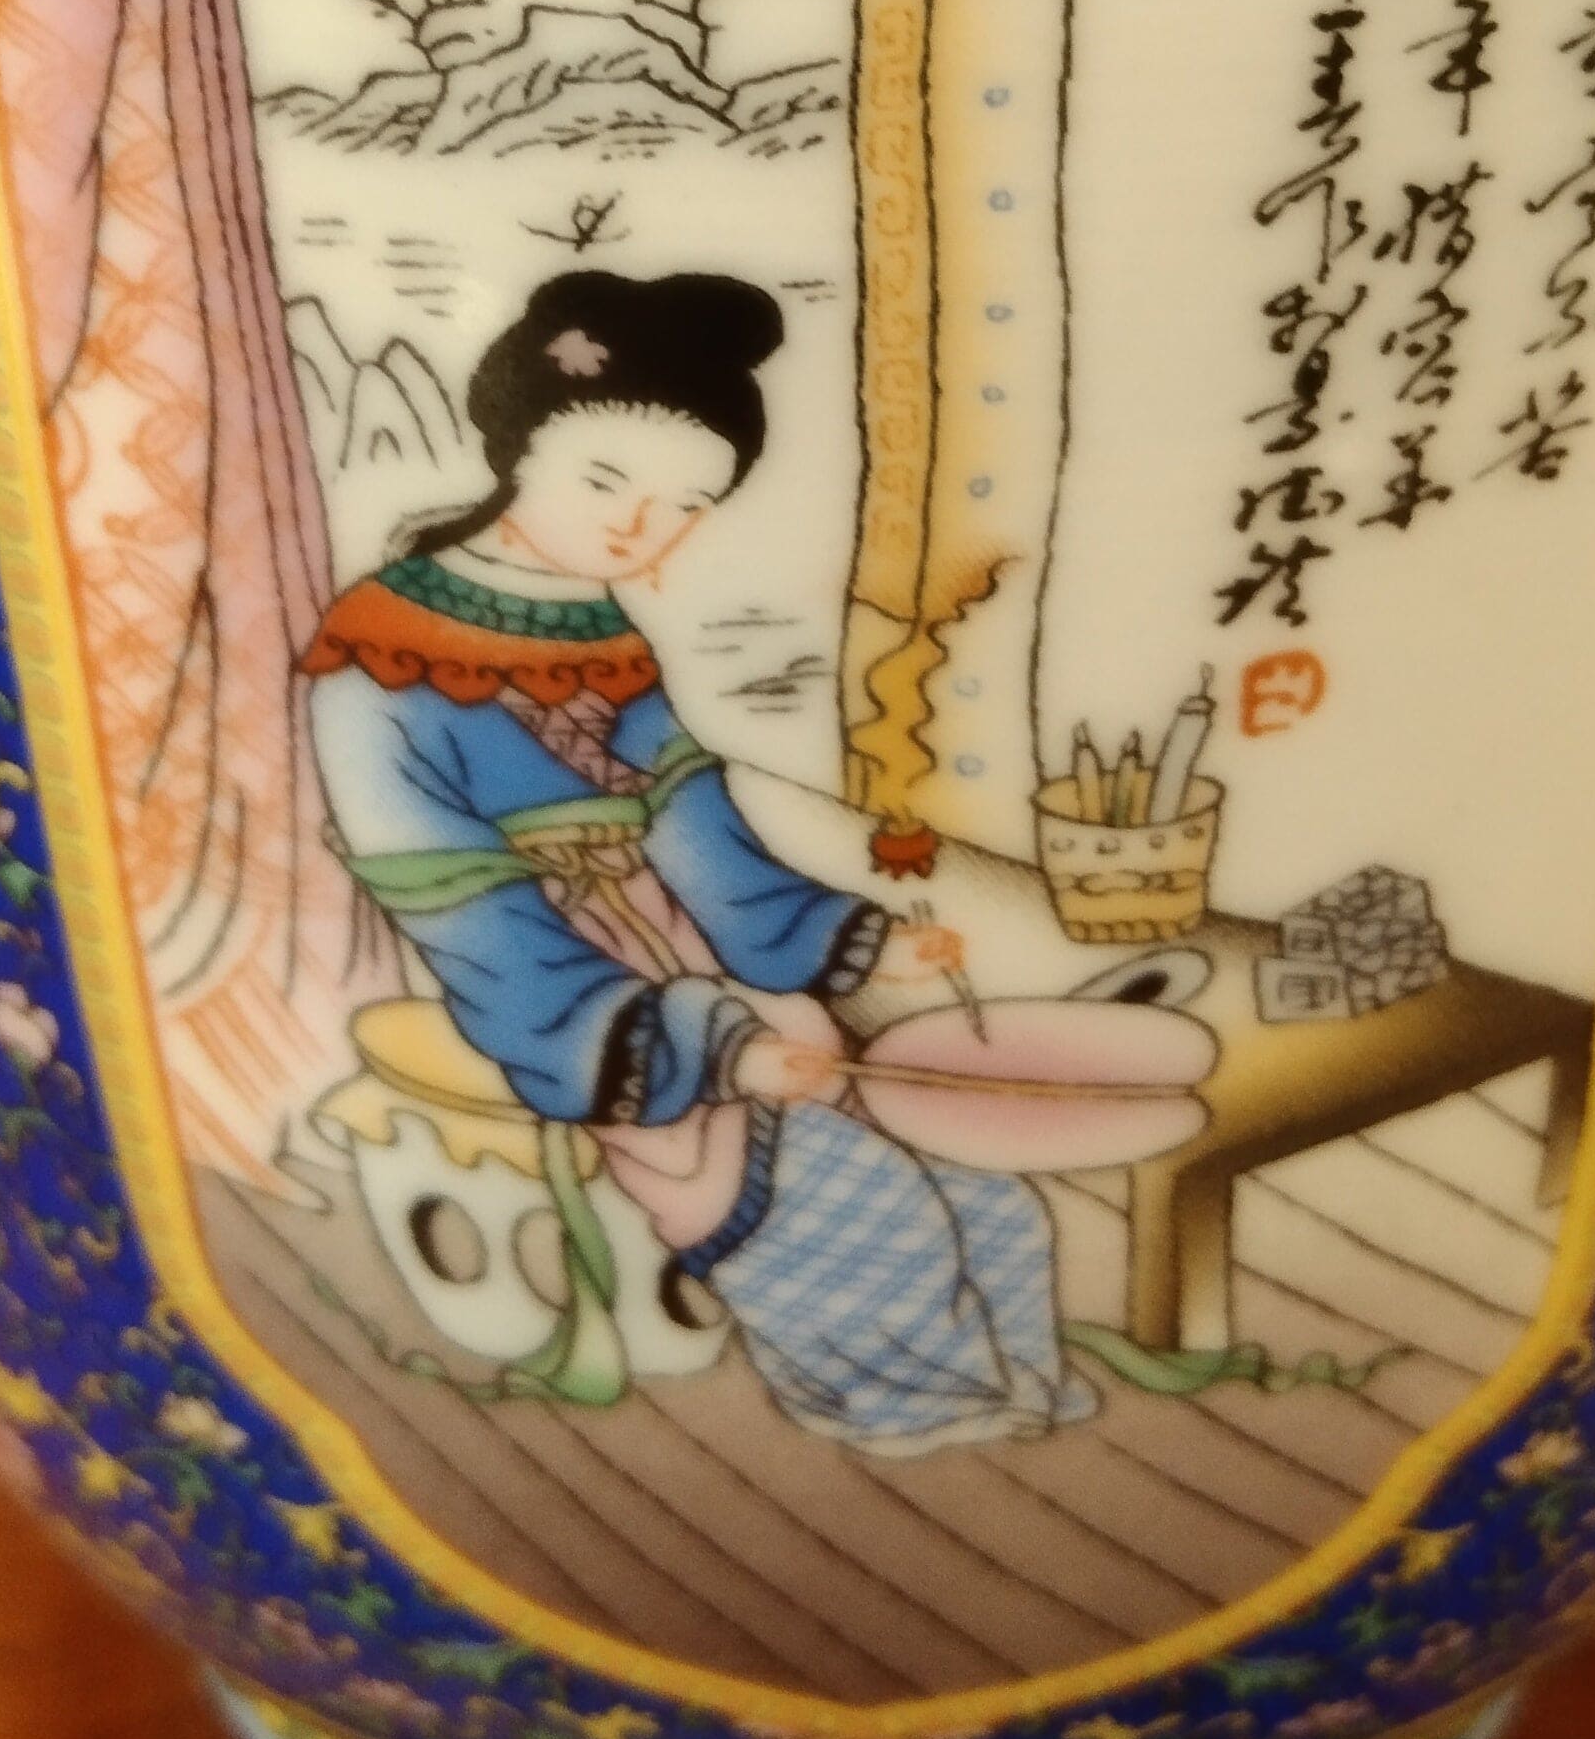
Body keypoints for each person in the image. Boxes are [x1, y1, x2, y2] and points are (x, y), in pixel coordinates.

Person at [303, 269, 1092, 1454]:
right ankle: (901, 1408)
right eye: (604, 480)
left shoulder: (596, 628)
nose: (637, 527)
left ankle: (1016, 1392)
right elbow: (455, 899)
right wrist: (704, 1040)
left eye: (684, 504)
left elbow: (692, 819)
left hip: (685, 954)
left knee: (994, 1202)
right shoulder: (377, 657)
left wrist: (850, 939)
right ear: (518, 447)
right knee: (861, 1207)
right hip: (557, 997)